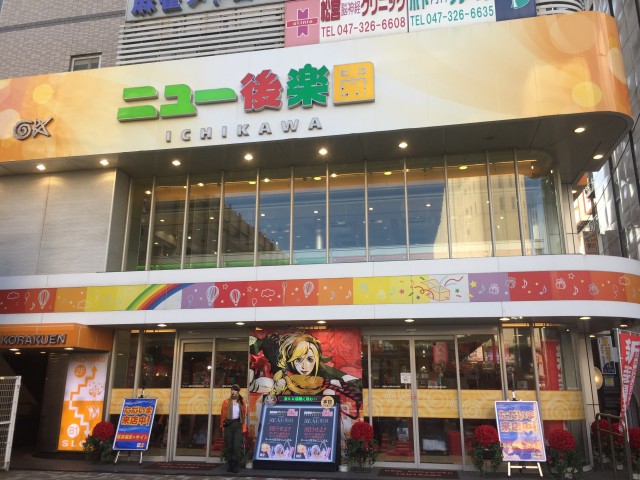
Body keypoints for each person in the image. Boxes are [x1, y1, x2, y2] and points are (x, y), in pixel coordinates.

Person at [220, 384, 247, 473]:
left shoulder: (241, 402)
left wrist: (245, 405)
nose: (233, 392)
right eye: (232, 390)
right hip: (228, 424)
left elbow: (245, 414)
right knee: (229, 445)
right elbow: (223, 415)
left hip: (238, 424)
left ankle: (235, 464)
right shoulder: (226, 402)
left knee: (237, 445)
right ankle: (230, 464)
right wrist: (222, 427)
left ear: (238, 392)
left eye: (235, 390)